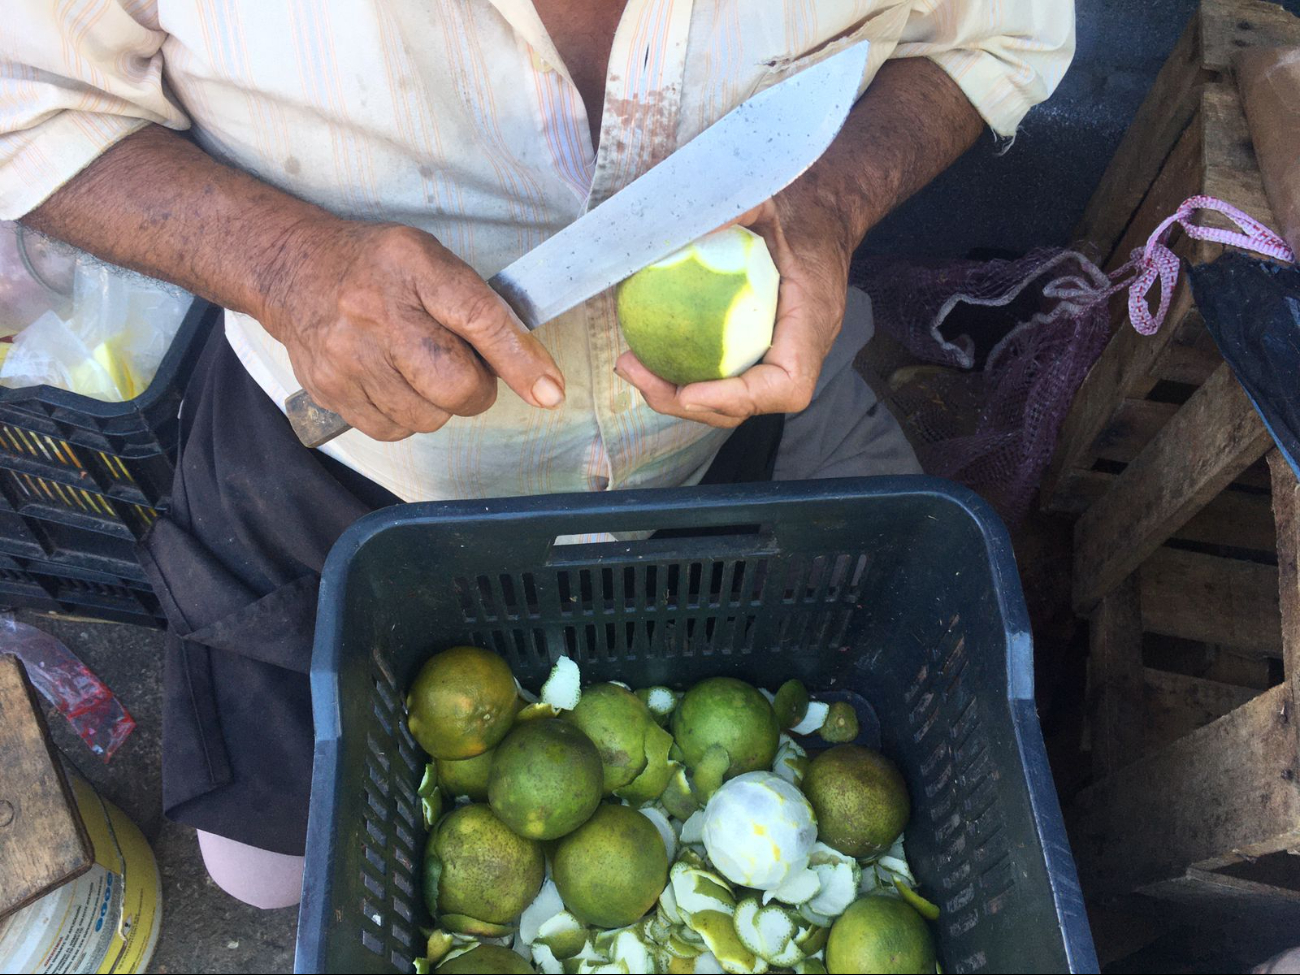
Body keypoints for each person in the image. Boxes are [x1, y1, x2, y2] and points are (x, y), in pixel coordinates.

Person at [0, 1, 1073, 909]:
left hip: (713, 457)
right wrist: (280, 263)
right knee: (266, 876)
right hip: (348, 471)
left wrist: (833, 199)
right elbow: (24, 100)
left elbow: (997, 35)